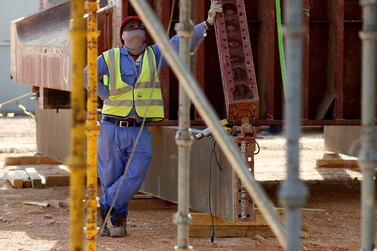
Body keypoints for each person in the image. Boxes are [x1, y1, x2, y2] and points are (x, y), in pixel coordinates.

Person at [87, 2, 223, 237]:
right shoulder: (109, 58)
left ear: (144, 38)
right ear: (123, 38)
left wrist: (207, 24)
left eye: (138, 30)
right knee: (110, 176)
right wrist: (104, 93)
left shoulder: (155, 55)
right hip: (111, 127)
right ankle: (116, 220)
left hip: (138, 130)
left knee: (136, 173)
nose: (134, 35)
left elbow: (181, 42)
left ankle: (102, 206)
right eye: (130, 31)